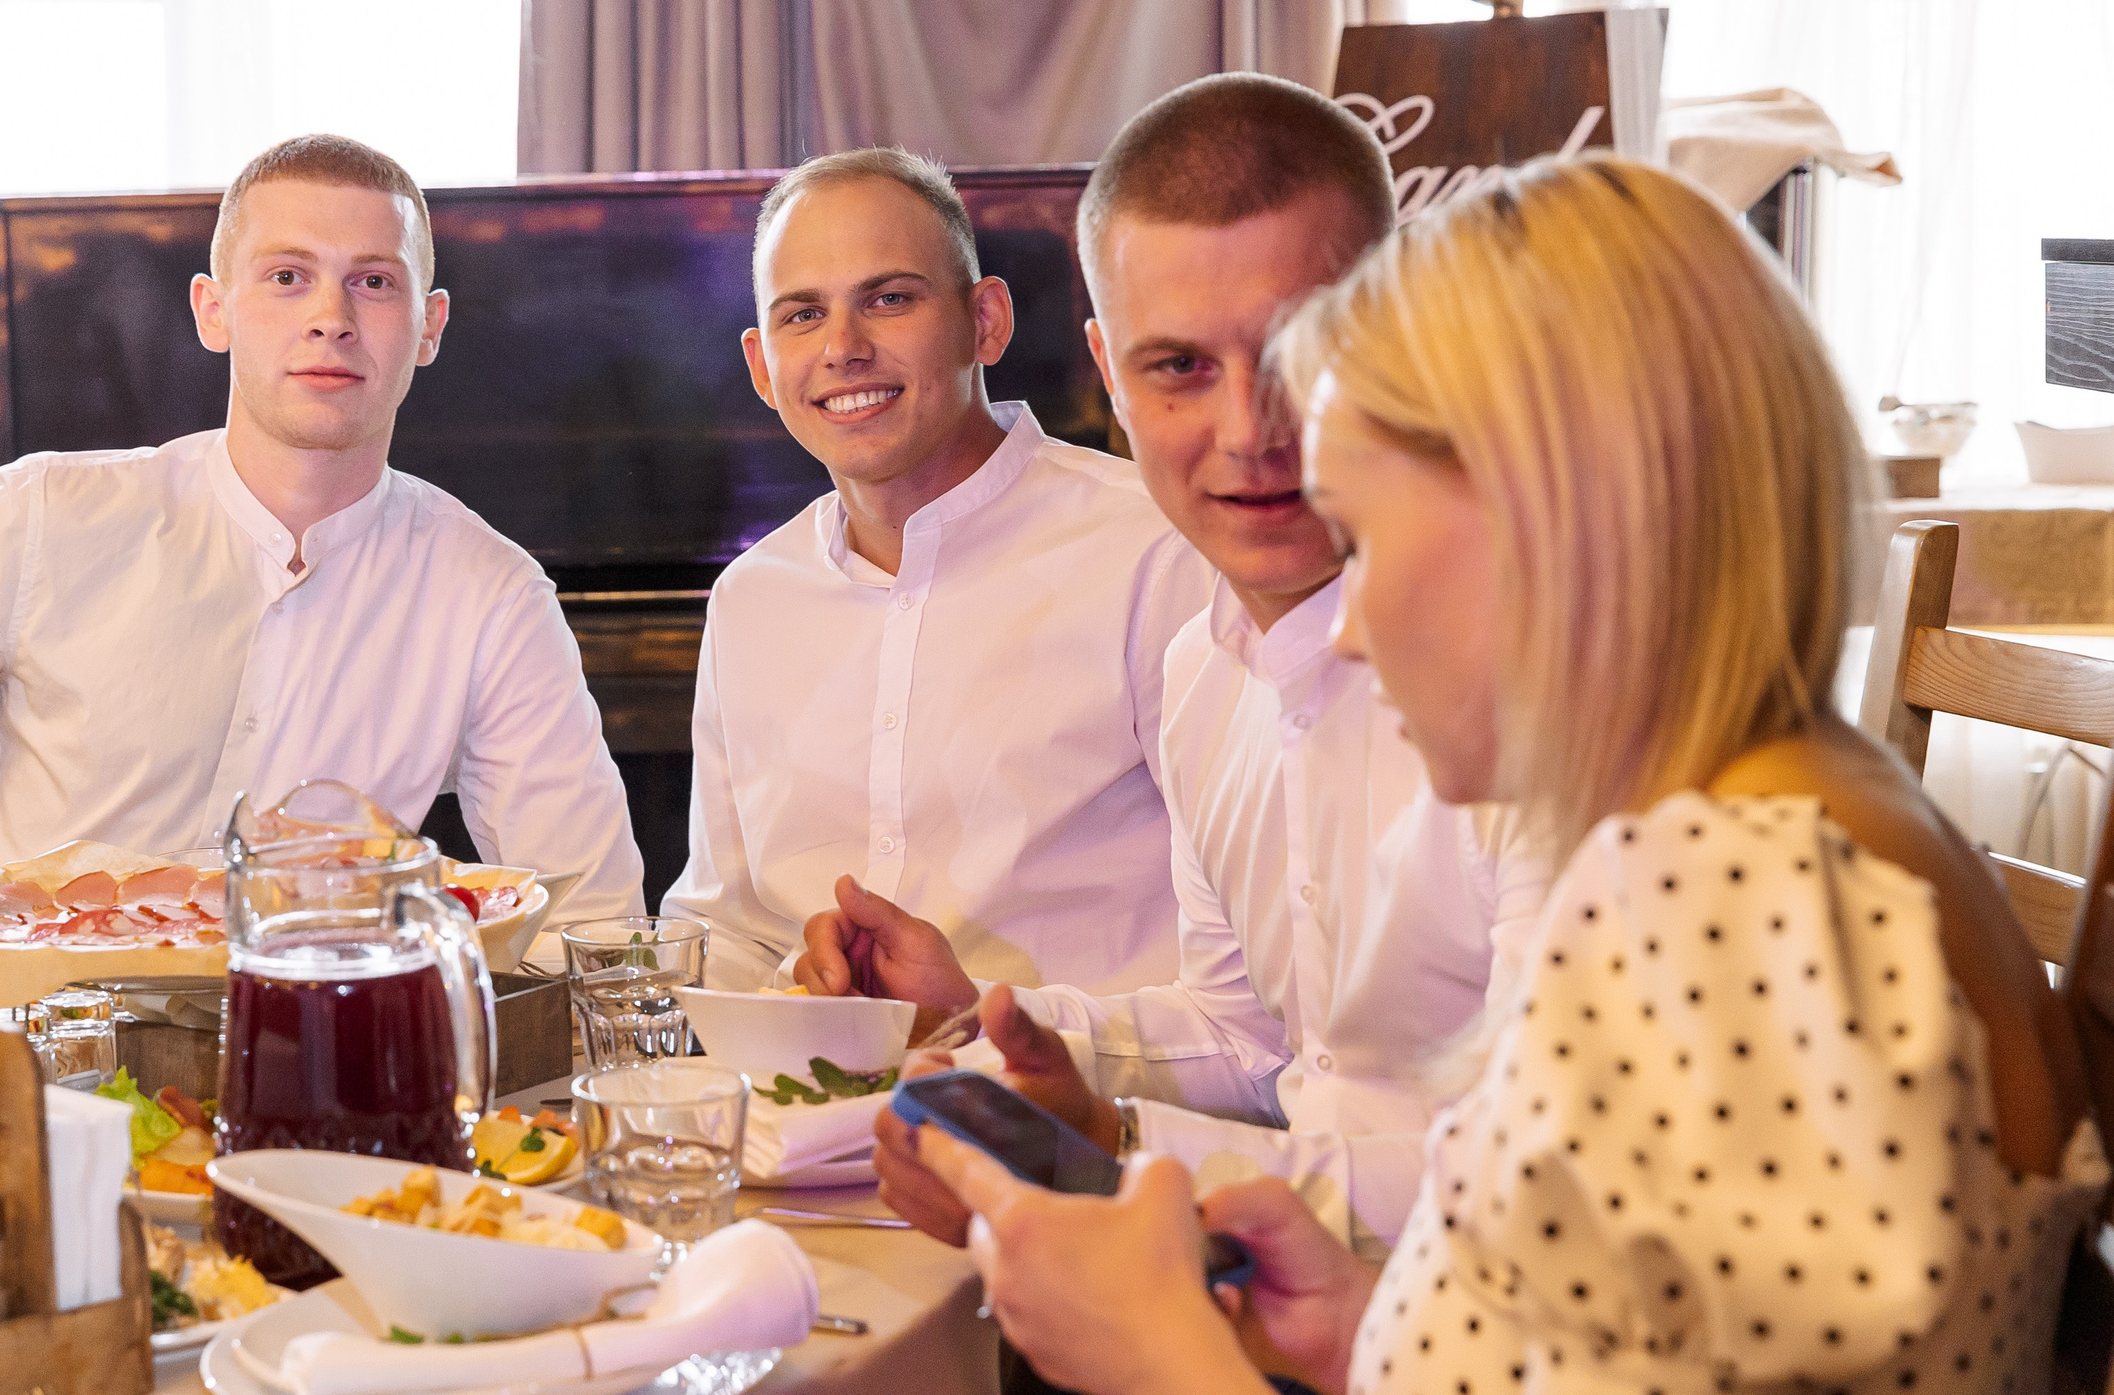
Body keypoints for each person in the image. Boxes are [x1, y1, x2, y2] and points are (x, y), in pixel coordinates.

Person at [901, 155, 2105, 1395]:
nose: (1350, 630)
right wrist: (1366, 1329)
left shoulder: (1725, 889)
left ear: (1561, 516)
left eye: (1365, 539)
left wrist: (1158, 1358)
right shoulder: (1790, 811)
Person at [811, 76, 1558, 1248]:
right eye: (1177, 370)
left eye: (1299, 351)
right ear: (1107, 371)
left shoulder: (1549, 675)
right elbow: (1254, 1038)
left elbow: (1550, 1185)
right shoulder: (1202, 674)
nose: (1249, 432)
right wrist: (981, 1016)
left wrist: (1114, 1159)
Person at [0, 134, 643, 938]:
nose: (330, 317)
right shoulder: (44, 518)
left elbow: (588, 908)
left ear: (428, 328)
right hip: (33, 1065)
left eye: (374, 282)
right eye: (286, 276)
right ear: (213, 311)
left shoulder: (490, 591)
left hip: (309, 1068)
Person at [661, 148, 1214, 993]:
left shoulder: (1154, 550)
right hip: (811, 1109)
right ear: (761, 367)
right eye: (803, 314)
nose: (844, 347)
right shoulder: (750, 600)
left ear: (986, 319)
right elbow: (723, 930)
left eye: (888, 299)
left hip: (1091, 1112)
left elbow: (1259, 962)